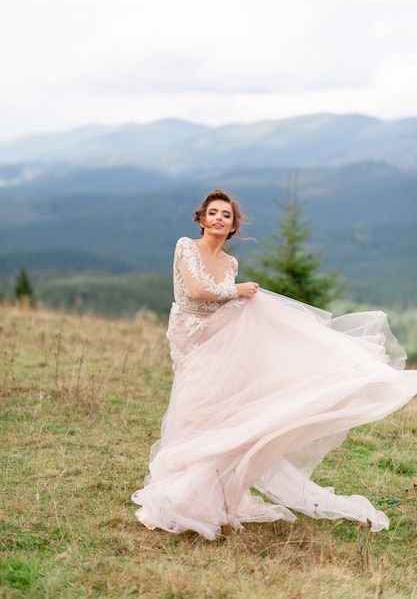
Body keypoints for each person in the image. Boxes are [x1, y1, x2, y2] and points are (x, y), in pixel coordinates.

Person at [132, 189, 417, 541]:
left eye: (226, 215)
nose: (219, 218)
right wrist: (239, 292)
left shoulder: (231, 264)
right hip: (191, 337)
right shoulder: (185, 247)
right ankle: (178, 497)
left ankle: (210, 499)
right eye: (213, 213)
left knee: (216, 413)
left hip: (221, 341)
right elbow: (196, 291)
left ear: (233, 226)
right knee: (193, 409)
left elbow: (225, 301)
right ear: (202, 218)